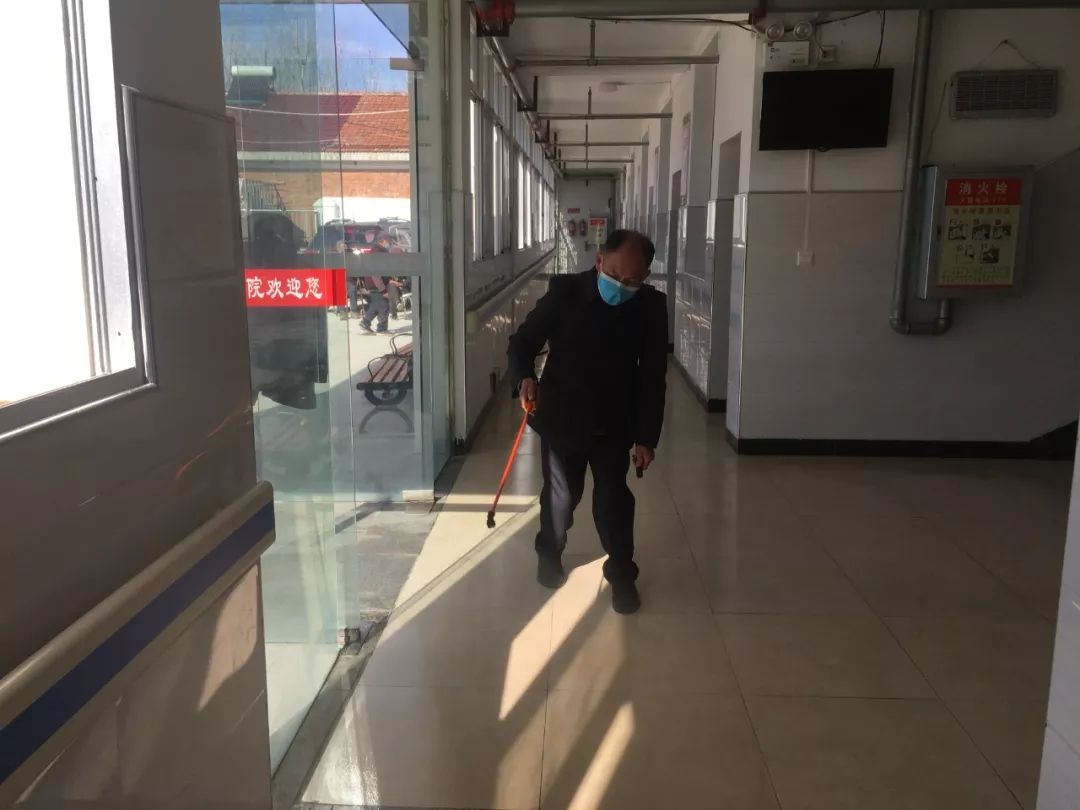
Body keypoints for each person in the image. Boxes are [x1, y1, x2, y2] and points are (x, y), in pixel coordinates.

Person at [507, 229, 668, 614]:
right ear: (599, 261)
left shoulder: (649, 306)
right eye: (614, 275)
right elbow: (522, 342)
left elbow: (652, 376)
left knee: (613, 504)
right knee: (561, 499)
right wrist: (524, 376)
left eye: (632, 280)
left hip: (614, 421)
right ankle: (549, 552)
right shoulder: (566, 293)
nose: (622, 286)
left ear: (645, 276)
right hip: (562, 417)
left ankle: (622, 576)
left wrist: (646, 437)